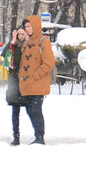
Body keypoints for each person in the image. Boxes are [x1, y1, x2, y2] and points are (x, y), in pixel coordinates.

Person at [13, 14, 57, 145]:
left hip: (38, 84)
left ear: (35, 26)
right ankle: (37, 135)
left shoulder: (43, 41)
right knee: (30, 110)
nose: (27, 29)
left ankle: (40, 137)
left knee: (35, 110)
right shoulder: (28, 42)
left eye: (29, 26)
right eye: (25, 26)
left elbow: (49, 62)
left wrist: (35, 75)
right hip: (28, 84)